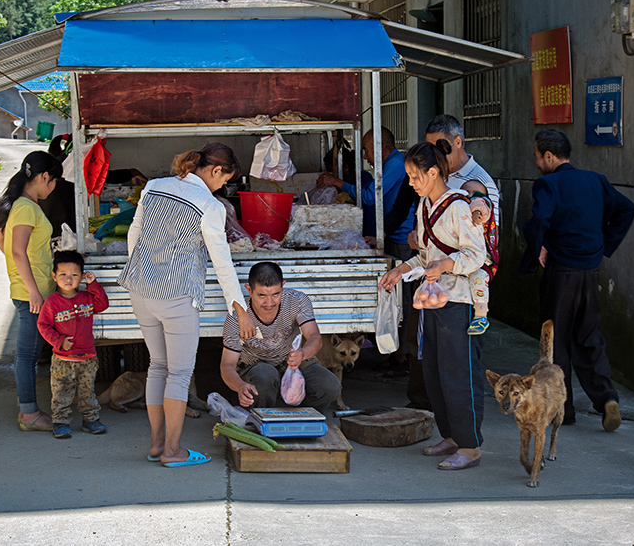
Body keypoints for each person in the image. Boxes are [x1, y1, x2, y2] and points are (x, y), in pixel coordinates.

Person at [118, 143, 255, 468]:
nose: (222, 187)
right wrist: (240, 308)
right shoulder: (209, 205)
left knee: (157, 366)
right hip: (177, 295)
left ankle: (155, 445)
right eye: (224, 181)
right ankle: (173, 450)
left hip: (140, 288)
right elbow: (222, 263)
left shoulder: (154, 187)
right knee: (178, 374)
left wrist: (147, 269)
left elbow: (134, 236)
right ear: (216, 170)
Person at [379, 140, 486, 471]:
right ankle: (451, 436)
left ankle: (470, 446)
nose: (410, 183)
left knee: (459, 373)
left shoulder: (458, 206)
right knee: (435, 372)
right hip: (434, 301)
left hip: (460, 302)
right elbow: (426, 256)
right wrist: (401, 269)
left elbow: (475, 254)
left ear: (434, 171)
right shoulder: (424, 206)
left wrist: (445, 266)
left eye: (414, 176)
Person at [519, 129, 634, 431]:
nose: (536, 163)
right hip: (590, 270)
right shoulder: (595, 179)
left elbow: (539, 221)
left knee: (554, 341)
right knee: (589, 336)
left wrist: (538, 248)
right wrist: (604, 245)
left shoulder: (548, 183)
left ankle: (563, 411)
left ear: (548, 155)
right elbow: (627, 208)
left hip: (561, 272)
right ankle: (607, 398)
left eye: (537, 157)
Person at [318, 127, 416, 374]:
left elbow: (372, 196)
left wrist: (339, 183)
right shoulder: (390, 165)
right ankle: (396, 353)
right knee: (393, 300)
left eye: (366, 150)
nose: (366, 156)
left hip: (403, 241)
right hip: (391, 236)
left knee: (401, 303)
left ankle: (402, 356)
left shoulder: (396, 164)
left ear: (381, 146)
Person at [0, 150, 63, 432]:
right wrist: (32, 290)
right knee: (27, 355)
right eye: (53, 181)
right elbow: (18, 250)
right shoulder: (26, 207)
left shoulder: (21, 205)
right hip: (31, 294)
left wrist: (19, 267)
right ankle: (29, 413)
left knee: (30, 353)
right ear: (45, 177)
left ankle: (30, 410)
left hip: (32, 289)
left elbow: (0, 236)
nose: (53, 188)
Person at [220, 262, 341, 414]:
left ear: (283, 286)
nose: (269, 303)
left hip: (290, 362)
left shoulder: (297, 300)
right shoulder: (237, 317)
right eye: (262, 295)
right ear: (249, 290)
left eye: (276, 294)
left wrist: (303, 354)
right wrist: (239, 386)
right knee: (265, 375)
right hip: (256, 368)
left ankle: (298, 418)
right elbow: (227, 365)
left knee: (330, 386)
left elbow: (314, 336)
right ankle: (261, 419)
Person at [37, 250, 110, 439]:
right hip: (63, 359)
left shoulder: (86, 297)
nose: (68, 279)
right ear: (54, 276)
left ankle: (91, 419)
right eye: (63, 274)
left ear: (81, 276)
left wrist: (92, 284)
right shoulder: (52, 302)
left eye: (74, 275)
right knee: (61, 392)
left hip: (87, 358)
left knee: (88, 392)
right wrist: (59, 341)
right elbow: (43, 325)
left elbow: (102, 305)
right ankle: (61, 422)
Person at [460, 179, 499, 335]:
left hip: (482, 260)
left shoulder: (482, 205)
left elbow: (480, 205)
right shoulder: (459, 209)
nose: (469, 196)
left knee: (478, 278)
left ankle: (481, 315)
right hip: (466, 255)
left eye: (473, 192)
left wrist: (477, 211)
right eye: (465, 193)